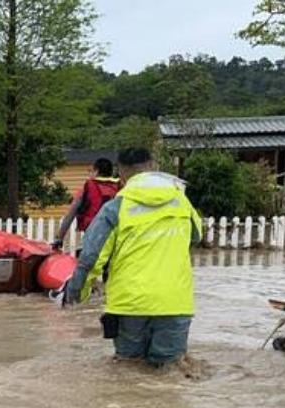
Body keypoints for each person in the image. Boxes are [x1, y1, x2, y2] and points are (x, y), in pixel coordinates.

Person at [63, 147, 203, 366]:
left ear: (121, 173)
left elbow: (91, 258)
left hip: (129, 304)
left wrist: (76, 292)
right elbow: (196, 236)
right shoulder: (181, 202)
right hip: (175, 302)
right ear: (154, 166)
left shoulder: (115, 208)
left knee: (128, 370)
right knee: (170, 371)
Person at [55, 158, 119, 250]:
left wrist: (59, 238)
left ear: (96, 171)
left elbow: (70, 215)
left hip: (93, 236)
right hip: (114, 238)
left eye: (91, 171)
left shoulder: (88, 188)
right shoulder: (119, 188)